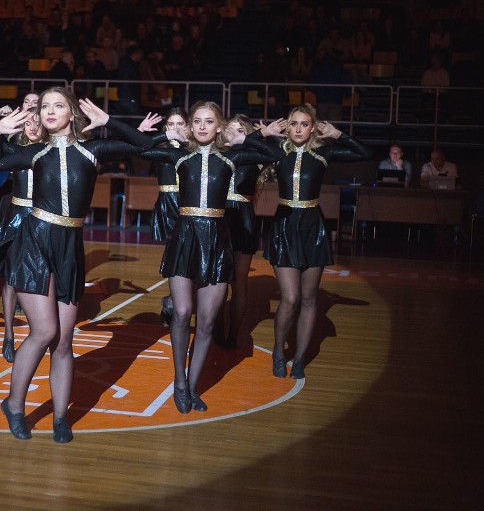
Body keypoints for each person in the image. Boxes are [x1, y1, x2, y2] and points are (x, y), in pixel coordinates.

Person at [0, 88, 155, 443]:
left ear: (72, 113)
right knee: (44, 332)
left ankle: (60, 417)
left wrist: (110, 122)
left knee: (64, 339)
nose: (49, 111)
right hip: (33, 242)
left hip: (69, 246)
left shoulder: (92, 149)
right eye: (45, 106)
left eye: (57, 105)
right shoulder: (35, 151)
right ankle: (14, 405)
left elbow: (144, 146)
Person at [142, 102, 276, 413]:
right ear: (190, 126)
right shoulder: (180, 155)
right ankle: (178, 380)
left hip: (217, 241)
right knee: (182, 311)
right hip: (185, 237)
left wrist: (250, 138)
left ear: (219, 127)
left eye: (209, 121)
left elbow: (276, 156)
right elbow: (140, 148)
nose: (203, 126)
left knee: (206, 322)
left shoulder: (232, 157)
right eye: (197, 121)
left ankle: (192, 385)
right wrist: (156, 135)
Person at [263, 105, 372, 380]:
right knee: (290, 297)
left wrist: (339, 134)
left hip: (313, 226)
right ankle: (278, 351)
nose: (298, 129)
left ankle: (299, 358)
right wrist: (264, 134)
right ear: (287, 126)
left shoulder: (324, 153)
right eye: (294, 123)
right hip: (285, 225)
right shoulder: (278, 150)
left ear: (313, 128)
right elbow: (244, 149)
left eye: (304, 124)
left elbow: (365, 153)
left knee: (309, 298)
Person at [0, 110, 46, 362]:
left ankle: (38, 330)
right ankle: (8, 334)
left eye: (37, 123)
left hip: (42, 219)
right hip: (17, 218)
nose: (32, 128)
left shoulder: (52, 152)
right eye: (27, 123)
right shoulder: (15, 151)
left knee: (41, 275)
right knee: (10, 280)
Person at [215, 115, 274, 349]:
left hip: (244, 218)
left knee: (239, 282)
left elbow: (275, 154)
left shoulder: (254, 156)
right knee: (217, 279)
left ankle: (234, 334)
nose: (235, 134)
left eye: (241, 130)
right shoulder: (217, 153)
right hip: (219, 216)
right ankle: (216, 328)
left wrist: (257, 137)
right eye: (231, 130)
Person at [149, 108, 189, 326]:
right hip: (167, 206)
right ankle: (174, 302)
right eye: (171, 125)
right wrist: (163, 137)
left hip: (188, 206)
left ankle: (172, 302)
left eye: (180, 124)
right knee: (177, 258)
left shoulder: (193, 148)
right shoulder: (160, 148)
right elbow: (140, 146)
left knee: (185, 259)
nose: (175, 129)